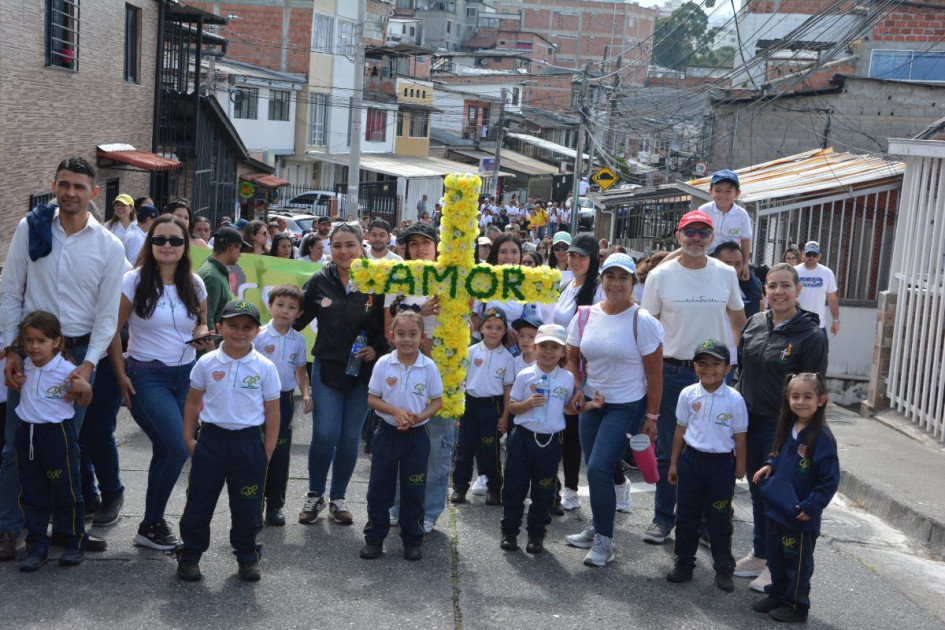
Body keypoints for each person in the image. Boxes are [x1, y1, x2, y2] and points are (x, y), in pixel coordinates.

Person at [1, 156, 126, 560]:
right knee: (14, 447)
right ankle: (9, 529)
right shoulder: (31, 227)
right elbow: (9, 290)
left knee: (68, 448)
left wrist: (87, 365)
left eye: (79, 187)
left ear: (93, 192)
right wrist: (11, 350)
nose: (70, 193)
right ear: (54, 185)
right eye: (64, 184)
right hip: (32, 351)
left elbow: (108, 316)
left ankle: (66, 530)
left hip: (78, 354)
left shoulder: (109, 245)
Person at [641, 210, 746, 545]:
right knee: (669, 446)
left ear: (712, 238)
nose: (696, 239)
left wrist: (735, 359)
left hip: (714, 375)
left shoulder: (725, 274)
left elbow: (738, 320)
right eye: (690, 232)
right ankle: (662, 517)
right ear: (678, 236)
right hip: (672, 371)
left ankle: (703, 522)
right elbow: (648, 326)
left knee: (713, 448)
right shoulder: (660, 275)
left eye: (703, 233)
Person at [110, 215, 211, 550]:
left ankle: (150, 524)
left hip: (185, 378)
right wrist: (121, 373)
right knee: (177, 447)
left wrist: (201, 335)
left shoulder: (195, 284)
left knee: (168, 449)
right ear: (149, 243)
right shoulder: (133, 281)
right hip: (146, 375)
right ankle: (152, 523)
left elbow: (201, 323)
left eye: (175, 241)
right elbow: (112, 330)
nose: (167, 246)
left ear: (185, 247)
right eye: (160, 240)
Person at [564, 253, 663, 567]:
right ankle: (598, 527)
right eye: (610, 277)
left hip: (627, 405)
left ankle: (605, 544)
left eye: (623, 278)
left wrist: (651, 417)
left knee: (598, 469)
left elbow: (654, 374)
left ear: (633, 282)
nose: (616, 284)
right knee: (594, 470)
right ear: (602, 280)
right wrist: (579, 387)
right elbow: (572, 357)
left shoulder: (642, 320)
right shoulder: (585, 315)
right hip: (592, 403)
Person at [734, 263, 827, 592]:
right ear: (765, 291)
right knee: (758, 490)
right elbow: (744, 367)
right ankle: (761, 553)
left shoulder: (811, 335)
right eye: (772, 286)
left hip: (782, 425)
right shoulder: (755, 323)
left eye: (785, 285)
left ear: (798, 289)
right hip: (750, 419)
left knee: (778, 494)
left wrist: (802, 432)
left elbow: (813, 388)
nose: (778, 292)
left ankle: (777, 564)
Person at [176, 299, 281, 583]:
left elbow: (273, 411)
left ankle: (247, 557)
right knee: (199, 502)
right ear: (219, 328)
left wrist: (267, 449)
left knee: (247, 507)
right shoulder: (207, 363)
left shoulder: (265, 367)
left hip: (249, 444)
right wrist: (188, 437)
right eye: (233, 326)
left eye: (247, 327)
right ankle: (191, 556)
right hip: (212, 440)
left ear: (257, 332)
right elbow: (192, 403)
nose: (239, 332)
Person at [295, 222, 386, 526]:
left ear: (362, 247)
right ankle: (314, 494)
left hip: (363, 372)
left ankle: (338, 498)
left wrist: (376, 347)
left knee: (349, 438)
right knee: (324, 434)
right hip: (328, 367)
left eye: (350, 245)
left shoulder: (379, 279)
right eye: (337, 246)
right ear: (329, 249)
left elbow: (390, 327)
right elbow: (294, 319)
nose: (344, 251)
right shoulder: (320, 280)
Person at [750, 373, 839, 623]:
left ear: (821, 400)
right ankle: (777, 594)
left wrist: (811, 506)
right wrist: (770, 464)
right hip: (778, 507)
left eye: (807, 396)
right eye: (795, 396)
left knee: (796, 562)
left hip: (800, 514)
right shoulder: (790, 426)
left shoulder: (821, 437)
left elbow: (829, 480)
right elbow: (779, 453)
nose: (801, 402)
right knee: (776, 557)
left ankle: (797, 605)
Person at [384, 223, 452, 533]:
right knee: (402, 440)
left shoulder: (450, 277)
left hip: (442, 366)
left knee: (436, 446)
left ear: (436, 246)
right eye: (413, 244)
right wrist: (417, 311)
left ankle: (430, 511)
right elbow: (387, 319)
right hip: (404, 366)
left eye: (426, 242)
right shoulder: (399, 279)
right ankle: (398, 506)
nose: (420, 248)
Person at [12, 311, 93, 571]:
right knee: (32, 492)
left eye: (41, 341)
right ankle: (37, 546)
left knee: (66, 490)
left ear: (56, 342)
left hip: (57, 436)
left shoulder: (67, 370)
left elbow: (82, 402)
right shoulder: (22, 365)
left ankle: (74, 541)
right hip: (27, 434)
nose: (34, 346)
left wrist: (86, 389)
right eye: (29, 340)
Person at [361, 311, 443, 561]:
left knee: (414, 490)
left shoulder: (428, 366)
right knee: (379, 489)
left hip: (417, 437)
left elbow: (437, 402)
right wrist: (395, 411)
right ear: (391, 335)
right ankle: (374, 539)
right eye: (401, 334)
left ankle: (412, 540)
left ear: (422, 336)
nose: (406, 339)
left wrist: (419, 417)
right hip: (387, 435)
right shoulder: (384, 363)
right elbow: (372, 399)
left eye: (412, 334)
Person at [666, 339, 747, 592]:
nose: (708, 369)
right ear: (694, 366)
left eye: (716, 364)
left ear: (727, 368)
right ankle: (684, 563)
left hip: (721, 464)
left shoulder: (734, 399)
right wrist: (674, 463)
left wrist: (740, 465)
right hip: (692, 461)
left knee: (719, 518)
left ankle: (723, 568)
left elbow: (740, 435)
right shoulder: (688, 394)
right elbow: (680, 430)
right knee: (686, 515)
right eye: (703, 363)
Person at [541, 233, 603, 512]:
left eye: (582, 256)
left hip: (588, 368)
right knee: (565, 427)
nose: (575, 260)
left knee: (584, 433)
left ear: (593, 259)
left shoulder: (599, 289)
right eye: (573, 255)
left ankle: (615, 482)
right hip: (564, 366)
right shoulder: (566, 286)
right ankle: (568, 488)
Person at [501, 324, 574, 554]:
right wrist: (528, 404)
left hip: (550, 442)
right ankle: (510, 532)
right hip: (523, 439)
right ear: (534, 348)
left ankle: (536, 535)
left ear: (563, 351)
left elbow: (569, 407)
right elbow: (512, 407)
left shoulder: (567, 378)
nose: (549, 352)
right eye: (543, 346)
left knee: (543, 492)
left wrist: (589, 405)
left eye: (555, 347)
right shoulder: (525, 375)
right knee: (515, 488)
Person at [252, 285, 313, 526]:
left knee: (279, 454)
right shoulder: (258, 336)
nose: (284, 311)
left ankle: (275, 505)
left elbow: (301, 370)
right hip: (256, 401)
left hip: (284, 400)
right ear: (270, 306)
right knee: (255, 451)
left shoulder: (298, 340)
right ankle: (253, 503)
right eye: (280, 305)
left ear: (299, 313)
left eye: (291, 307)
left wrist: (306, 394)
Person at [450, 307, 514, 506]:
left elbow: (507, 389)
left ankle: (495, 489)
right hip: (470, 405)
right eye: (489, 326)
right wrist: (458, 409)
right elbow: (461, 381)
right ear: (481, 328)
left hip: (492, 407)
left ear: (504, 331)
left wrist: (505, 416)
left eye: (498, 328)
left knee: (490, 450)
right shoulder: (470, 351)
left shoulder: (507, 358)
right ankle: (460, 488)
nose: (493, 331)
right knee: (464, 449)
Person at [698, 170, 753, 280]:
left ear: (737, 194)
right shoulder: (704, 210)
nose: (722, 195)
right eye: (718, 190)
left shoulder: (742, 214)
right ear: (710, 192)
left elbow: (745, 240)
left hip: (732, 260)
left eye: (728, 191)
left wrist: (745, 264)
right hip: (708, 258)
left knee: (754, 289)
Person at [197, 227, 248, 340]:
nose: (240, 254)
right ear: (232, 248)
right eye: (240, 248)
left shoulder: (215, 270)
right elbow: (206, 318)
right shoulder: (212, 276)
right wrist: (212, 351)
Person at [795, 241, 840, 338]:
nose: (811, 257)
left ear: (819, 256)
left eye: (814, 255)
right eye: (808, 254)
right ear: (803, 254)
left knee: (821, 353)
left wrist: (835, 321)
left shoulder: (827, 273)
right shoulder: (794, 271)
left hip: (818, 325)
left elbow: (832, 298)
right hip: (796, 325)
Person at [714, 242, 763, 319]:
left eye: (737, 264)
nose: (733, 269)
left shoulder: (752, 295)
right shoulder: (704, 292)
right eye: (728, 264)